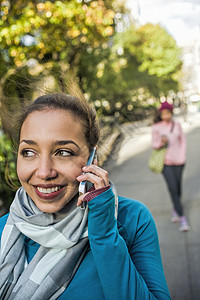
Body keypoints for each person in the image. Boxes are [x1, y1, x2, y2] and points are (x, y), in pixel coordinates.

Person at [0, 93, 171, 299]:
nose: (44, 172)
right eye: (28, 152)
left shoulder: (132, 219)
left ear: (92, 158)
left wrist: (105, 234)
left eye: (63, 152)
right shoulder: (4, 229)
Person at [151, 100, 190, 232]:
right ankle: (182, 218)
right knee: (173, 189)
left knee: (178, 189)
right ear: (160, 114)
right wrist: (161, 143)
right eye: (163, 113)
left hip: (179, 161)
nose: (165, 116)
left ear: (171, 113)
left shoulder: (177, 125)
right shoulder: (156, 127)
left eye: (168, 113)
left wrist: (182, 156)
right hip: (166, 163)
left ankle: (175, 209)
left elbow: (182, 141)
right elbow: (154, 145)